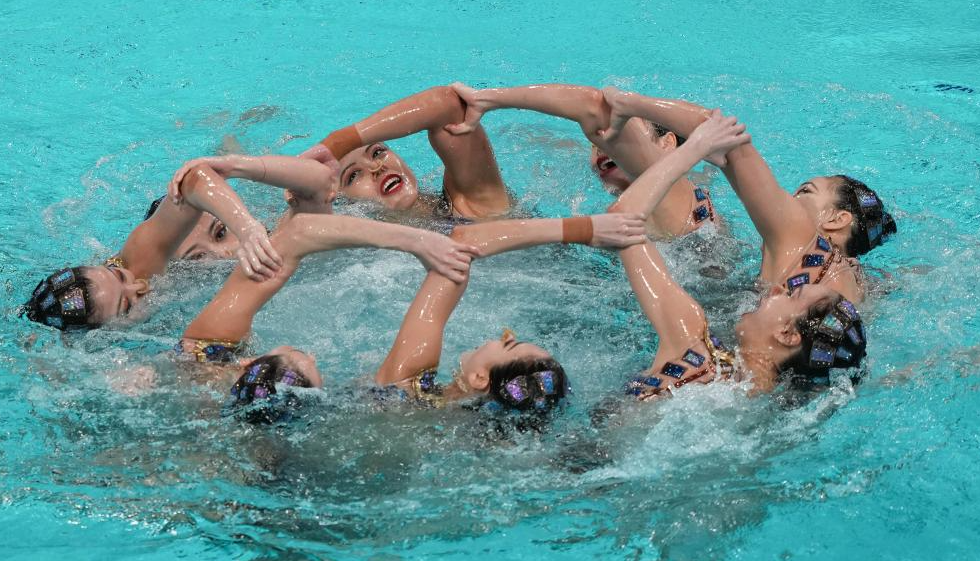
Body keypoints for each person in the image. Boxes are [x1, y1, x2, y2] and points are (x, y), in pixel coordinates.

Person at [165, 155, 482, 422]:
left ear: (247, 364)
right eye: (199, 256)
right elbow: (303, 227)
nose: (222, 252)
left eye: (221, 231)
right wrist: (418, 241)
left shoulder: (202, 354)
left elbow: (315, 191)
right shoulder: (206, 347)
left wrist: (245, 219)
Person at [607, 111, 867, 395]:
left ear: (787, 334)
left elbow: (623, 220)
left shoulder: (695, 352)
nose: (777, 289)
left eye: (791, 295)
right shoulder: (773, 412)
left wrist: (693, 150)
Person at [596, 87, 897, 303]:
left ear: (837, 219)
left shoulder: (796, 240)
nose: (788, 198)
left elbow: (730, 142)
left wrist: (632, 103)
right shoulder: (856, 287)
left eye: (805, 192)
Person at [374, 212, 648, 417]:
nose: (507, 334)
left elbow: (462, 244)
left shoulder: (403, 392)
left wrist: (584, 229)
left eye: (510, 344)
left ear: (480, 379)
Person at [22, 162, 284, 331]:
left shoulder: (139, 264)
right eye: (127, 305)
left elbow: (194, 179)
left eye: (119, 275)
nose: (139, 286)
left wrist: (246, 228)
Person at [443, 83, 713, 239]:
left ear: (667, 143)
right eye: (594, 145)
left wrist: (486, 99)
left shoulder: (664, 185)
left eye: (623, 126)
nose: (601, 145)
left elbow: (592, 106)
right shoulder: (682, 192)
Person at [297, 85, 511, 221]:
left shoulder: (470, 204)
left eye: (377, 152)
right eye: (353, 176)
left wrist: (337, 143)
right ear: (342, 202)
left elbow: (448, 104)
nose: (376, 167)